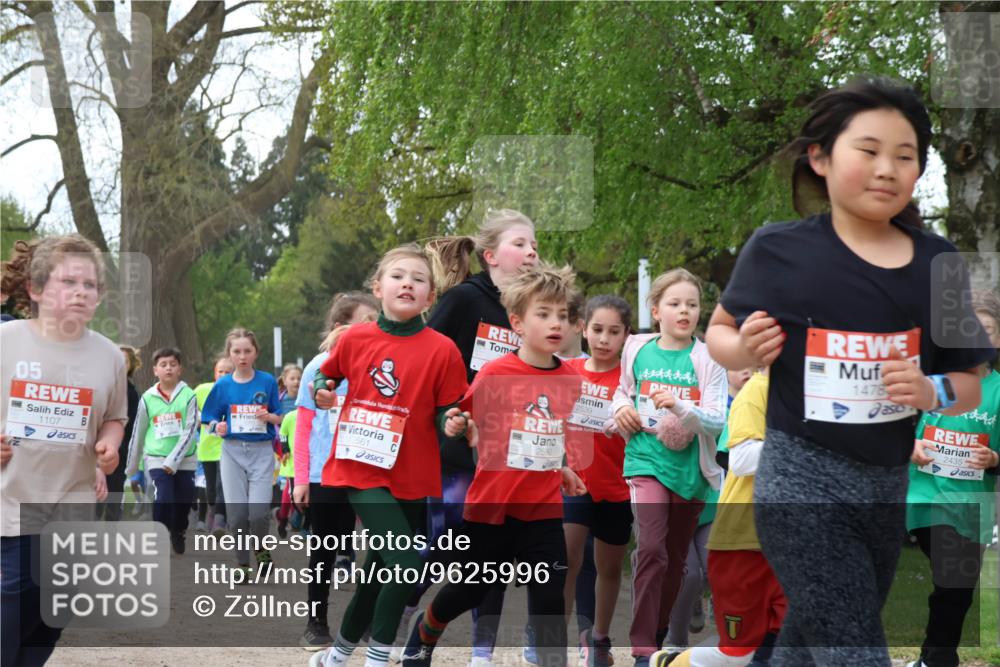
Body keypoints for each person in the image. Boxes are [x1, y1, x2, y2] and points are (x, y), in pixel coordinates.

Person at [705, 76, 996, 665]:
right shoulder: (778, 249)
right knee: (855, 645)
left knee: (814, 636)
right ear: (820, 157)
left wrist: (929, 389)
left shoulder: (938, 262)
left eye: (905, 155)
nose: (887, 168)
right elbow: (719, 333)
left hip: (885, 487)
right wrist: (744, 351)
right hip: (799, 481)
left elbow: (969, 384)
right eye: (868, 151)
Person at [401, 264, 588, 667]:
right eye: (544, 314)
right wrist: (457, 422)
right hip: (492, 509)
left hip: (542, 510)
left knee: (549, 596)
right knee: (470, 589)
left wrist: (563, 468)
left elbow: (548, 436)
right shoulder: (495, 373)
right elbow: (462, 416)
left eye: (562, 315)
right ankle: (425, 628)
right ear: (518, 322)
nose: (555, 323)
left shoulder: (571, 381)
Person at [391, 209, 541, 666]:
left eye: (535, 245)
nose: (532, 251)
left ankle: (481, 653)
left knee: (491, 552)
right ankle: (403, 609)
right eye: (521, 244)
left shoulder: (533, 311)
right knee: (445, 542)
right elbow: (422, 356)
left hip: (506, 451)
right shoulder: (464, 301)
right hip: (454, 443)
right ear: (491, 255)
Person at [309, 244, 470, 667]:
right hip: (360, 468)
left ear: (430, 297)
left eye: (418, 280)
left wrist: (451, 423)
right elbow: (327, 373)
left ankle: (338, 654)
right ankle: (379, 656)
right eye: (398, 276)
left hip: (413, 476)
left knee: (374, 576)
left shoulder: (443, 350)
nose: (408, 284)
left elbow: (446, 411)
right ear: (378, 288)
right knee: (404, 562)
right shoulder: (356, 338)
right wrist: (322, 391)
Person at [1, 235, 127, 667]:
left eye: (90, 285)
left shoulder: (109, 356)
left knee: (50, 619)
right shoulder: (5, 342)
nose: (81, 291)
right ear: (35, 290)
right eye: (68, 281)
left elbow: (114, 416)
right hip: (11, 510)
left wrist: (109, 444)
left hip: (73, 510)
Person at [612, 268, 726, 667]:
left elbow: (716, 420)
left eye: (692, 305)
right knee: (652, 548)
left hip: (690, 472)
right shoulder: (637, 347)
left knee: (675, 562)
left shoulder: (710, 357)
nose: (685, 311)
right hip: (645, 460)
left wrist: (680, 407)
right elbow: (622, 390)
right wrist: (622, 408)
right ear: (656, 309)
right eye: (675, 304)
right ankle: (642, 647)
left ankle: (658, 636)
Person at [652, 367, 787, 667]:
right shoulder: (757, 391)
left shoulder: (816, 398)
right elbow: (740, 460)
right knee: (738, 655)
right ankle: (670, 662)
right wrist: (802, 446)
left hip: (790, 548)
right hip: (743, 546)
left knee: (788, 646)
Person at [905, 290, 1000, 667]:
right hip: (926, 498)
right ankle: (938, 660)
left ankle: (934, 658)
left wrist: (994, 458)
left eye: (987, 330)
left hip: (972, 507)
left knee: (956, 591)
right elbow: (896, 425)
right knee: (951, 578)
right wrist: (908, 444)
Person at [294, 291, 379, 650]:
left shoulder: (381, 368)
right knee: (324, 550)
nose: (373, 329)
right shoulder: (319, 367)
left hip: (370, 471)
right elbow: (303, 426)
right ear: (340, 327)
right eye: (366, 322)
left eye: (377, 323)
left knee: (379, 547)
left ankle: (364, 620)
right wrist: (301, 480)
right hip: (324, 473)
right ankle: (316, 623)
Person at [563, 295, 634, 667]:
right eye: (598, 330)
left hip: (618, 488)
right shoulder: (567, 370)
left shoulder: (630, 379)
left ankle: (600, 639)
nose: (604, 339)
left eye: (614, 332)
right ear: (583, 329)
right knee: (567, 557)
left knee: (608, 569)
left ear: (626, 336)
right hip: (577, 482)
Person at [201, 328, 283, 578]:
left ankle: (260, 547)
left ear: (256, 352)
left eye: (247, 351)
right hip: (232, 452)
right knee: (236, 516)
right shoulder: (223, 384)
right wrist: (218, 426)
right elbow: (208, 418)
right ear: (230, 354)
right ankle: (243, 565)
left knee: (258, 514)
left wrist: (270, 417)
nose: (242, 356)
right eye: (237, 351)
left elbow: (279, 414)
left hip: (260, 451)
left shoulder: (267, 381)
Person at [124, 347, 199, 554]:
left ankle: (178, 530)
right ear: (155, 370)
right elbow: (138, 432)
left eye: (173, 365)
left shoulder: (189, 395)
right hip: (156, 457)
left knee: (184, 498)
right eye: (163, 365)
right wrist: (131, 466)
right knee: (163, 496)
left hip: (185, 458)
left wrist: (174, 460)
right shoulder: (147, 398)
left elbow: (190, 430)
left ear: (179, 369)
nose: (168, 369)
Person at [194, 356, 234, 535]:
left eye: (228, 372)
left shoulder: (237, 390)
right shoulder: (203, 390)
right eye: (221, 371)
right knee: (211, 488)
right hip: (207, 447)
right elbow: (190, 408)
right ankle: (213, 510)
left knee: (222, 484)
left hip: (228, 446)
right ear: (214, 373)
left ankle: (220, 520)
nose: (224, 375)